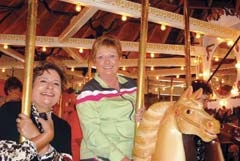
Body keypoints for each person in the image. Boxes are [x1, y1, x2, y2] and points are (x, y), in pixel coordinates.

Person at [76, 35, 144, 161]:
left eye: (112, 56)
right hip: (100, 154)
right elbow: (92, 134)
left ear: (120, 59)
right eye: (101, 57)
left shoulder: (133, 86)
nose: (107, 62)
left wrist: (143, 116)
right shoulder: (88, 92)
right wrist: (120, 158)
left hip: (131, 152)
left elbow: (141, 118)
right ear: (94, 61)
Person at [0, 61, 72, 161]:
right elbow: (4, 156)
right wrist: (44, 138)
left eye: (56, 83)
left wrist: (36, 136)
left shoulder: (63, 127)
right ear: (31, 86)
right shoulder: (10, 111)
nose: (50, 87)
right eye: (43, 81)